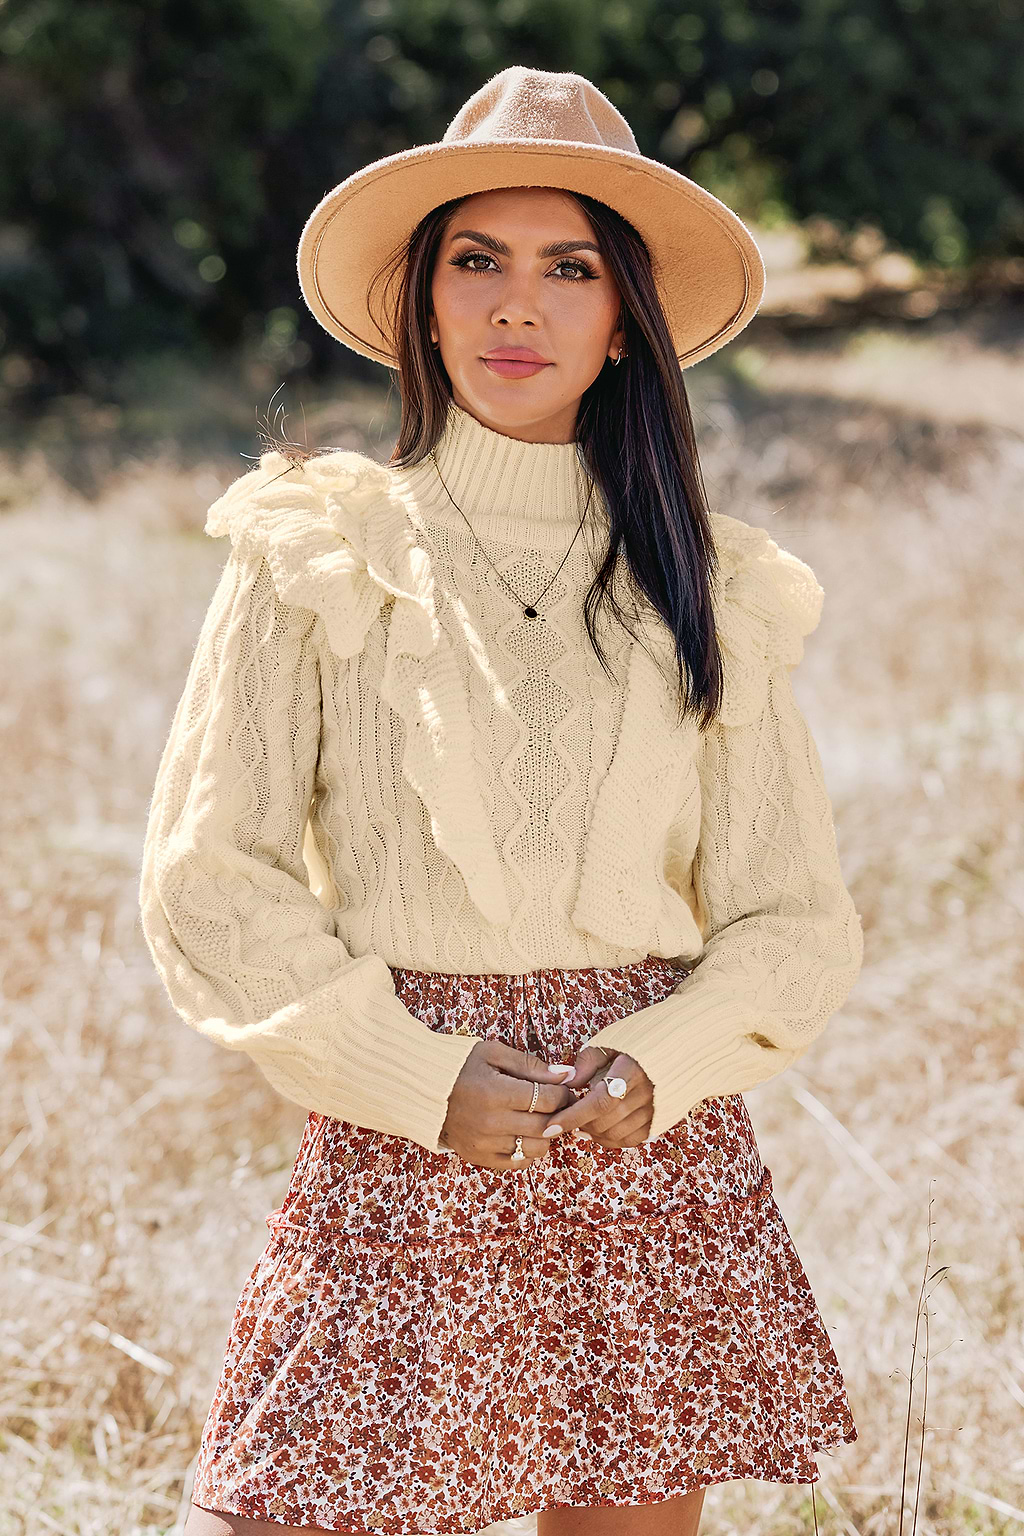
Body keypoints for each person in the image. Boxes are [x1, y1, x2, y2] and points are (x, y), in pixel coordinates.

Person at [139, 65, 864, 1536]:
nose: (514, 307)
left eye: (568, 268)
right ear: (423, 300)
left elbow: (792, 913)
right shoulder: (320, 543)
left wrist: (662, 1062)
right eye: (476, 261)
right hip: (407, 1125)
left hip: (643, 1149)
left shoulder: (709, 582)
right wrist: (418, 1079)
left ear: (623, 321)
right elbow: (212, 876)